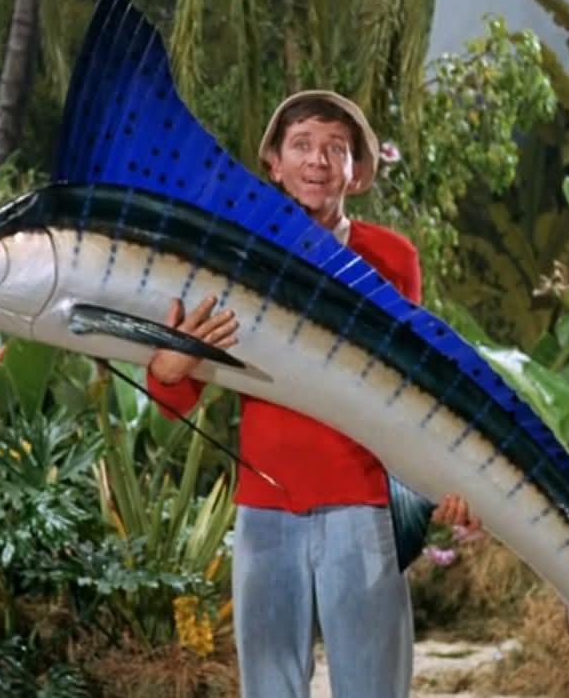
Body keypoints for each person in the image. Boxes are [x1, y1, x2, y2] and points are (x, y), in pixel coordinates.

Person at [146, 90, 481, 698]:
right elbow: (175, 393)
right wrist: (168, 367)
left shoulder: (392, 259)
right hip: (264, 508)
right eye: (301, 144)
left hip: (362, 507)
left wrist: (449, 480)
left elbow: (411, 390)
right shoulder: (236, 253)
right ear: (274, 163)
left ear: (357, 172)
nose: (318, 161)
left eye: (336, 148)